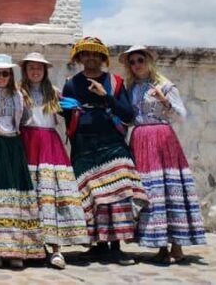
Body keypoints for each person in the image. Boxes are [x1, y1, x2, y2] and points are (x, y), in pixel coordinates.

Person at [62, 37, 148, 265]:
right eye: (85, 54)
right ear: (79, 58)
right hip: (84, 146)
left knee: (118, 194)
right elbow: (69, 117)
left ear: (102, 58)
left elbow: (128, 115)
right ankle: (99, 245)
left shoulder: (116, 82)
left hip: (112, 144)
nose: (90, 58)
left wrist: (105, 96)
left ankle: (117, 246)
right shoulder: (71, 84)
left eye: (95, 54)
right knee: (94, 198)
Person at [120, 45, 206, 263]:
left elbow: (181, 116)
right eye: (132, 62)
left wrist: (164, 101)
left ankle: (177, 243)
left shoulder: (165, 86)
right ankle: (160, 245)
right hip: (139, 140)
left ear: (149, 60)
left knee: (168, 188)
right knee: (149, 191)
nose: (137, 65)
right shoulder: (130, 89)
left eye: (140, 59)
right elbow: (129, 117)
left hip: (162, 139)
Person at [18, 52, 88, 269]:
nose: (35, 72)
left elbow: (73, 109)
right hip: (27, 142)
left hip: (49, 144)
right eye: (31, 68)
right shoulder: (19, 92)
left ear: (45, 71)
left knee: (53, 194)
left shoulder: (54, 92)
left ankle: (56, 249)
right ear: (25, 70)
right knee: (30, 197)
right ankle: (31, 247)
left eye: (39, 68)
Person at [0, 54, 43, 269]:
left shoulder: (19, 95)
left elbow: (24, 121)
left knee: (15, 199)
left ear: (11, 74)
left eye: (5, 73)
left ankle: (17, 249)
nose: (1, 77)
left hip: (13, 145)